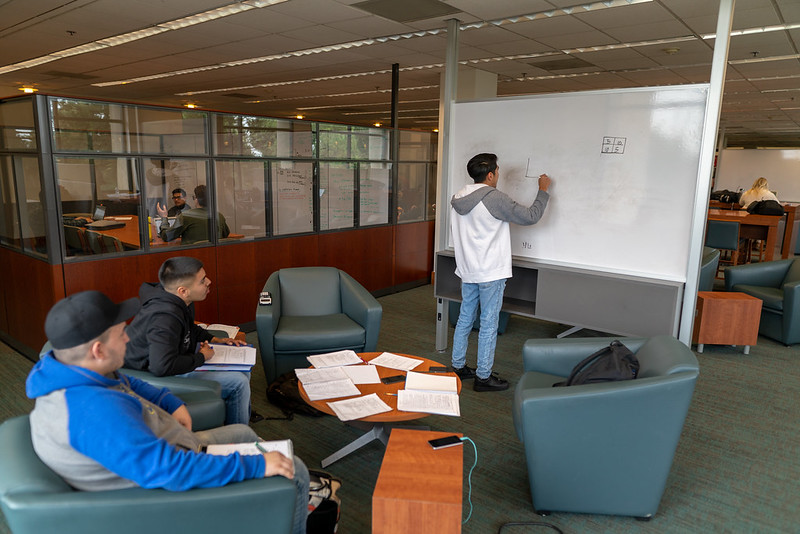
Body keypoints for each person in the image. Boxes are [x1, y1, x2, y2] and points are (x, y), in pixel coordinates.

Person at [27, 290, 309, 534]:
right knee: (295, 470)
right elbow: (168, 469)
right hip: (162, 496)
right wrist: (256, 466)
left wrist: (171, 402)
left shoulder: (72, 372)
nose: (128, 338)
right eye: (121, 332)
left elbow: (129, 382)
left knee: (244, 432)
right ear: (98, 350)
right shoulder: (93, 411)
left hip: (171, 450)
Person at [450, 153, 551, 392]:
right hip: (491, 272)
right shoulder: (494, 198)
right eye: (497, 171)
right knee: (488, 323)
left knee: (465, 318)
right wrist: (543, 190)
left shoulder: (458, 197)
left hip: (468, 270)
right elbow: (530, 216)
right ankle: (483, 377)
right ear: (490, 174)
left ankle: (458, 367)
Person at [124, 256, 257, 425]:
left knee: (244, 369)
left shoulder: (177, 300)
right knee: (239, 383)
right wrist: (201, 357)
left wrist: (215, 339)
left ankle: (237, 413)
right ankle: (241, 437)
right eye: (202, 281)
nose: (208, 282)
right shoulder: (163, 318)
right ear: (183, 291)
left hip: (172, 357)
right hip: (150, 373)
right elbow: (161, 366)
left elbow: (188, 327)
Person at [158, 184, 230, 244]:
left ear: (196, 199)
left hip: (192, 258)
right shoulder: (219, 216)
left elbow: (167, 236)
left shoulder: (186, 216)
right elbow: (225, 234)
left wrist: (164, 217)